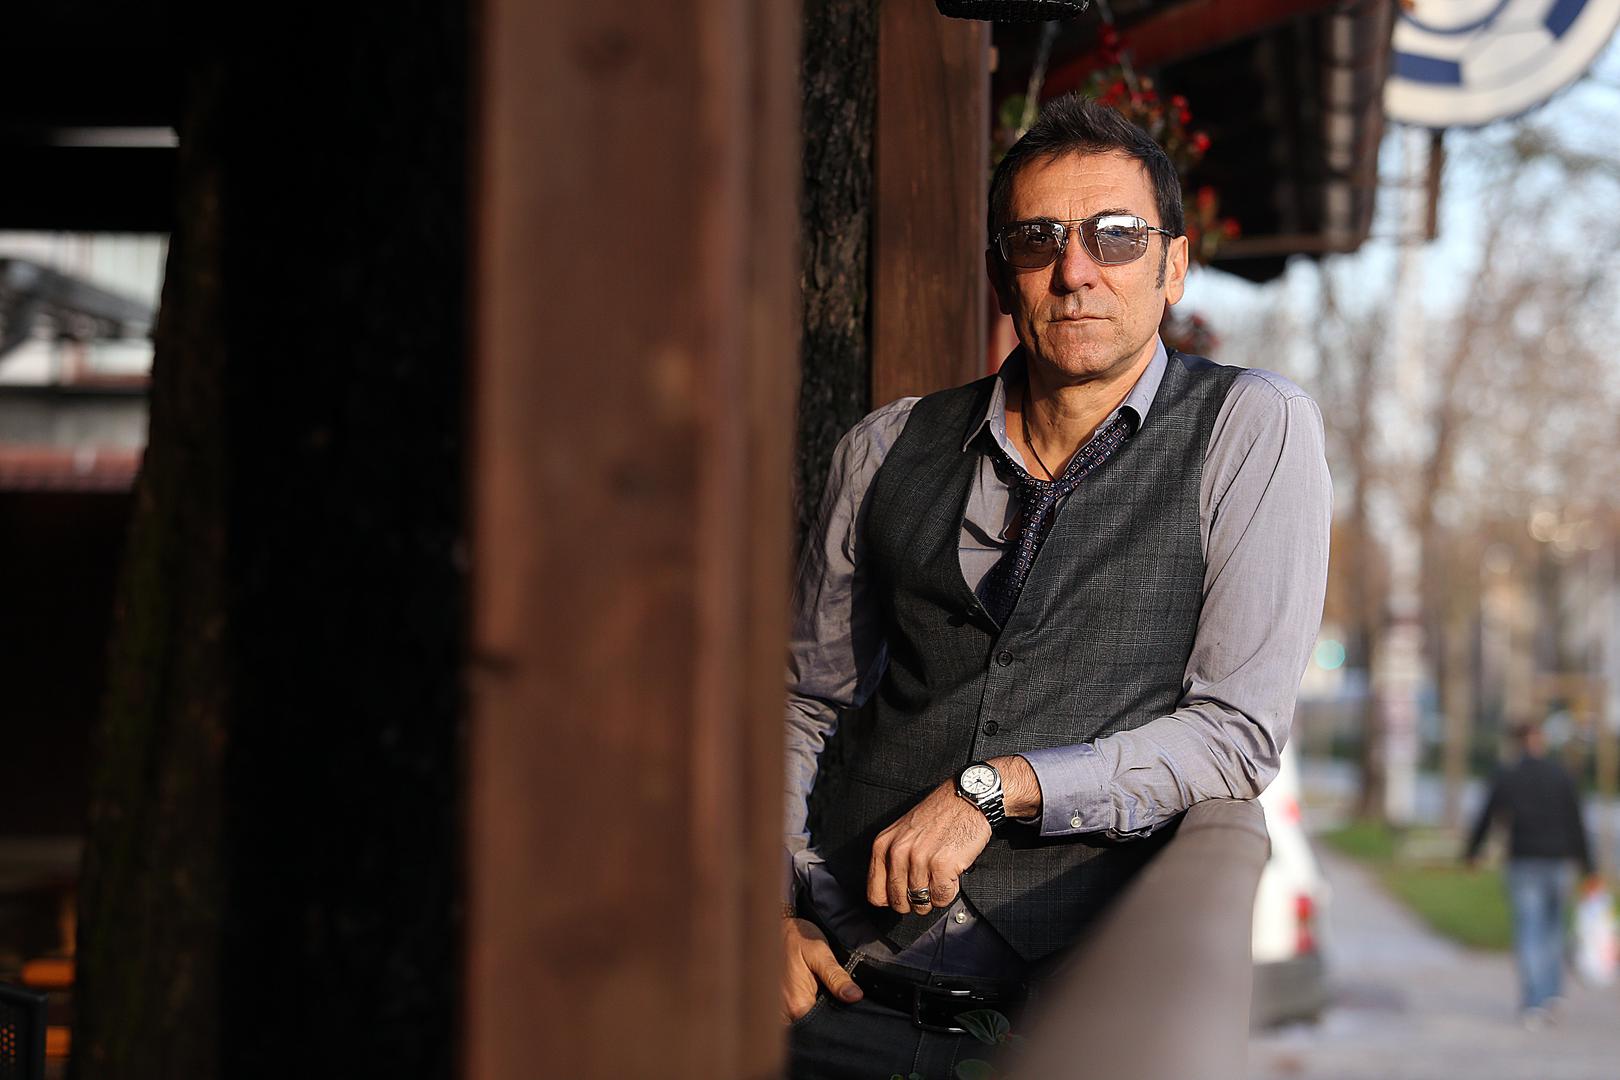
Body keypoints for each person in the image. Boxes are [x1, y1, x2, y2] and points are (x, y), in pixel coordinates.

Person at [782, 95, 1331, 1078]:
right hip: (836, 993)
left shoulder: (1249, 428)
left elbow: (1235, 733)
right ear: (1003, 276)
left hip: (1059, 1024)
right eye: (1038, 239)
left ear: (1173, 265)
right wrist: (763, 904)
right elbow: (804, 700)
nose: (1075, 270)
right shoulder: (884, 446)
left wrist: (1000, 788)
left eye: (1116, 236)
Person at [1465, 721, 1598, 1027]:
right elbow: (1576, 821)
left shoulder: (1508, 774)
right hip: (1558, 862)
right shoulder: (1561, 775)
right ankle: (1551, 995)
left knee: (1529, 931)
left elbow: (1488, 814)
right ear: (1542, 741)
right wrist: (1588, 866)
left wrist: (1473, 852)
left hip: (1524, 860)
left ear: (1517, 742)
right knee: (1553, 929)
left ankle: (1534, 1001)